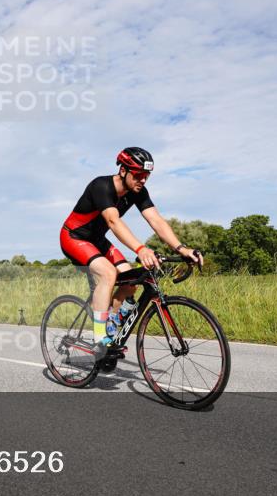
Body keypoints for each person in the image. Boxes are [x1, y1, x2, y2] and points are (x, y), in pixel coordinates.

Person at [60, 147, 203, 361]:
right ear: (123, 171)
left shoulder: (138, 192)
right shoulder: (102, 186)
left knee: (130, 279)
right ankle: (100, 340)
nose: (143, 180)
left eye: (146, 176)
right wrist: (140, 248)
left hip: (97, 241)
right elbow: (113, 221)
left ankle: (109, 324)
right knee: (109, 273)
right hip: (74, 237)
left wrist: (182, 248)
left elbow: (157, 221)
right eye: (138, 175)